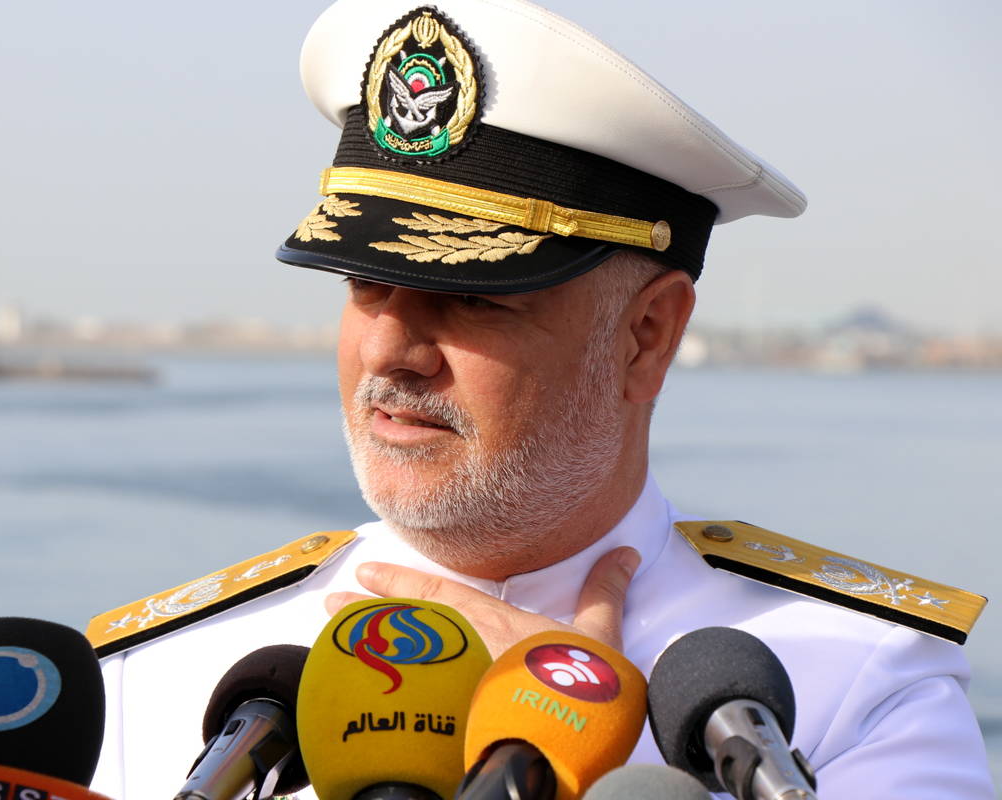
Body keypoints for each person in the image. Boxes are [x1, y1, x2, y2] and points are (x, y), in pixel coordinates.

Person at [87, 1, 994, 797]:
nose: (390, 351)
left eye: (471, 297)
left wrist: (600, 742)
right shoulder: (161, 676)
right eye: (365, 285)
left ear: (648, 336)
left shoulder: (858, 687)